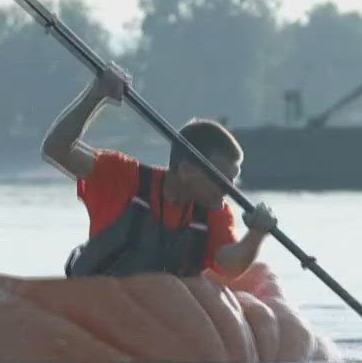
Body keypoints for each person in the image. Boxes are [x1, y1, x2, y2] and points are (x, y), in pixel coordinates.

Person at [41, 62, 275, 279]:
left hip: (160, 314)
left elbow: (229, 265)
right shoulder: (123, 177)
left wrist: (256, 235)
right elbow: (56, 149)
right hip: (100, 304)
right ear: (186, 171)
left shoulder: (214, 212)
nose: (229, 190)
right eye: (223, 179)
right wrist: (96, 95)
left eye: (233, 179)